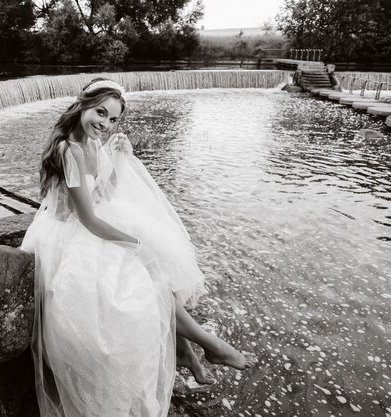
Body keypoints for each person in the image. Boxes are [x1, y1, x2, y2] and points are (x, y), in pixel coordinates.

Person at [20, 78, 257, 417]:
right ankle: (207, 346)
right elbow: (87, 218)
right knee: (142, 275)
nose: (105, 123)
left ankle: (188, 350)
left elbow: (105, 193)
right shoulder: (67, 150)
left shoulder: (92, 142)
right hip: (65, 233)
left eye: (113, 119)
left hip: (90, 222)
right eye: (100, 113)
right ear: (82, 105)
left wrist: (118, 156)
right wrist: (135, 246)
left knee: (159, 268)